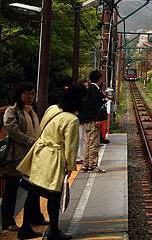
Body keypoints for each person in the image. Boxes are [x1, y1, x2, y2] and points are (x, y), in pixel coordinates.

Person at [17, 85, 83, 240]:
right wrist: (70, 167)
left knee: (33, 192)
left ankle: (25, 228)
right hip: (54, 158)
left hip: (40, 153)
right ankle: (54, 231)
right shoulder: (72, 120)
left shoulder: (53, 109)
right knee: (54, 195)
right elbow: (71, 148)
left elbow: (41, 128)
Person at [0, 82, 48, 235]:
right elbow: (12, 130)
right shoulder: (12, 111)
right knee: (11, 189)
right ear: (19, 94)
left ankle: (36, 217)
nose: (30, 97)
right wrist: (29, 141)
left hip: (31, 155)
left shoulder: (32, 111)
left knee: (33, 188)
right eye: (27, 93)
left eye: (32, 94)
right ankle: (7, 221)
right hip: (15, 156)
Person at [79, 71, 106, 173]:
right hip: (92, 120)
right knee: (94, 143)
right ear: (99, 79)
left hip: (87, 120)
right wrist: (98, 119)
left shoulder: (90, 88)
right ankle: (93, 165)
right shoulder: (94, 89)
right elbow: (95, 106)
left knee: (88, 143)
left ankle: (86, 165)